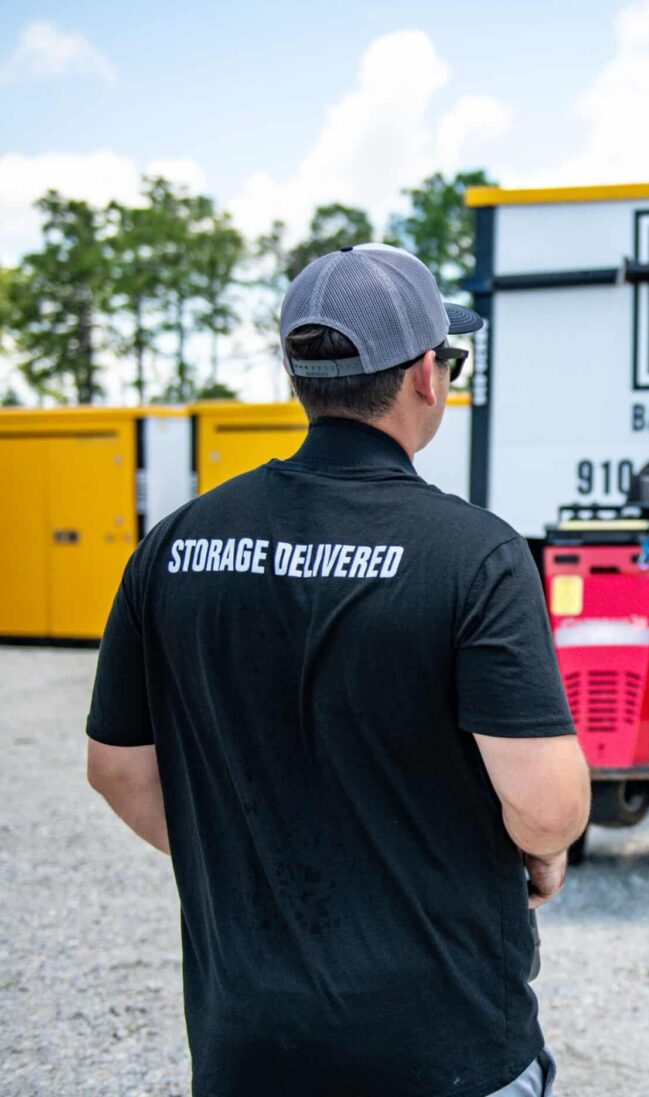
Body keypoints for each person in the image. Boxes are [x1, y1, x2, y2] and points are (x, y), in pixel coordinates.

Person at [85, 243, 591, 1096]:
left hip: (248, 1050)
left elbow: (116, 768)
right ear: (427, 375)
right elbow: (546, 806)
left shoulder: (171, 547)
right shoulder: (474, 556)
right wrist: (543, 850)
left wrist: (257, 851)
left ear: (299, 377)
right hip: (444, 1048)